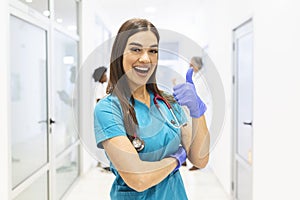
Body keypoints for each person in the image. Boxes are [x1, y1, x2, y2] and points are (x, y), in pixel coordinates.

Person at [94, 18, 210, 200]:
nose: (146, 58)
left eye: (153, 51)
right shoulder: (108, 109)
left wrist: (198, 112)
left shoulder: (168, 102)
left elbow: (200, 159)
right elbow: (138, 179)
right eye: (136, 49)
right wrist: (176, 159)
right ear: (119, 54)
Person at [188, 56, 213, 171]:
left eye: (191, 64)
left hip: (201, 112)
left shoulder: (202, 79)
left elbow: (200, 96)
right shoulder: (196, 77)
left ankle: (197, 163)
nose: (189, 66)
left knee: (200, 137)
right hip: (196, 111)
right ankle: (194, 162)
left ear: (197, 66)